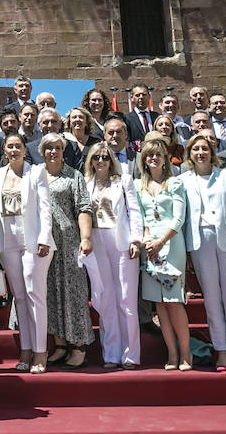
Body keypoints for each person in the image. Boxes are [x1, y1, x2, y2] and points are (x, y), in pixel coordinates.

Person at [181, 134, 226, 374]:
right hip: (201, 243)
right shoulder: (183, 181)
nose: (200, 153)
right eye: (195, 149)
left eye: (205, 148)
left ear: (212, 152)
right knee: (211, 301)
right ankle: (221, 350)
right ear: (189, 154)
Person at [0, 132, 53, 373]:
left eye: (18, 146)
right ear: (4, 150)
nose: (14, 150)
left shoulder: (36, 172)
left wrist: (45, 237)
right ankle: (25, 349)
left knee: (35, 294)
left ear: (25, 150)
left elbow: (46, 208)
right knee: (20, 297)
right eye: (9, 147)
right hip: (7, 241)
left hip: (34, 241)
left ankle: (40, 351)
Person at [82, 143, 141, 369]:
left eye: (105, 157)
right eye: (96, 157)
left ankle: (130, 355)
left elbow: (134, 211)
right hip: (96, 242)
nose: (100, 161)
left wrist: (136, 240)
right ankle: (111, 354)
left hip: (122, 242)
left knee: (126, 298)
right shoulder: (86, 183)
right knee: (105, 299)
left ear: (111, 160)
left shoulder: (123, 181)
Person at [136, 139, 192, 370]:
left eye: (158, 154)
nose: (154, 158)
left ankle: (186, 353)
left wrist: (160, 242)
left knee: (174, 301)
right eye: (150, 155)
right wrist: (148, 241)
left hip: (171, 245)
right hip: (149, 249)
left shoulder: (175, 182)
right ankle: (171, 353)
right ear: (144, 160)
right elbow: (142, 218)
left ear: (165, 158)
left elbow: (178, 218)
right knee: (159, 304)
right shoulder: (139, 185)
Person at [39, 133, 93, 369]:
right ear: (42, 151)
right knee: (50, 292)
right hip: (43, 242)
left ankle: (78, 345)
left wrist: (86, 237)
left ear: (64, 151)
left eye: (58, 148)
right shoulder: (36, 175)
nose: (53, 151)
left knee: (74, 292)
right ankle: (60, 345)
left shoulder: (74, 175)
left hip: (68, 241)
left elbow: (83, 207)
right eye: (49, 147)